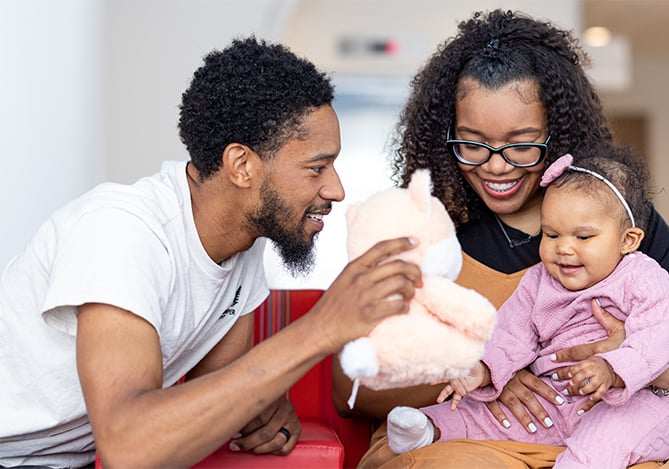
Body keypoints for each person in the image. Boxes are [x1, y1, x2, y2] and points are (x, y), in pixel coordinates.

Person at [330, 9, 669, 468]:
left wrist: (646, 357)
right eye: (472, 143)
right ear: (446, 138)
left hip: (596, 447)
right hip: (462, 443)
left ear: (556, 132)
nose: (496, 166)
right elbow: (349, 391)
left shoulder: (616, 221)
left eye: (521, 143)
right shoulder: (420, 227)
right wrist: (491, 367)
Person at [0, 37, 422, 469]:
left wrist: (264, 412)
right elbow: (128, 448)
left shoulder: (242, 248)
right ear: (242, 165)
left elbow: (225, 389)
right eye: (316, 168)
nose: (336, 190)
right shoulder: (124, 230)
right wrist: (320, 329)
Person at [387, 152, 669, 468]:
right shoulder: (539, 280)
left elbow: (659, 334)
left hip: (632, 401)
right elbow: (510, 331)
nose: (564, 247)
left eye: (583, 236)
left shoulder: (643, 277)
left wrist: (613, 369)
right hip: (556, 399)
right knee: (485, 413)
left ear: (627, 240)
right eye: (551, 234)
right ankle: (430, 429)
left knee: (606, 438)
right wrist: (484, 369)